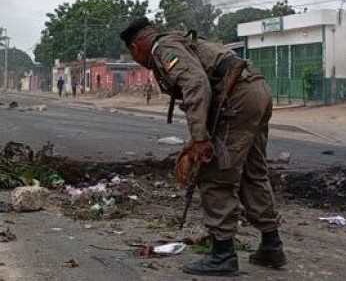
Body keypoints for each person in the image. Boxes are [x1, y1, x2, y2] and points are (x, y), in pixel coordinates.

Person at [120, 17, 285, 277]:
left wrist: (199, 139)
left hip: (238, 96)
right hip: (256, 89)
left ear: (136, 46)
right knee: (253, 172)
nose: (136, 59)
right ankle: (272, 246)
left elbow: (196, 84)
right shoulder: (178, 40)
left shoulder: (162, 49)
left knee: (216, 174)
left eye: (132, 54)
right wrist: (200, 134)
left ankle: (223, 255)